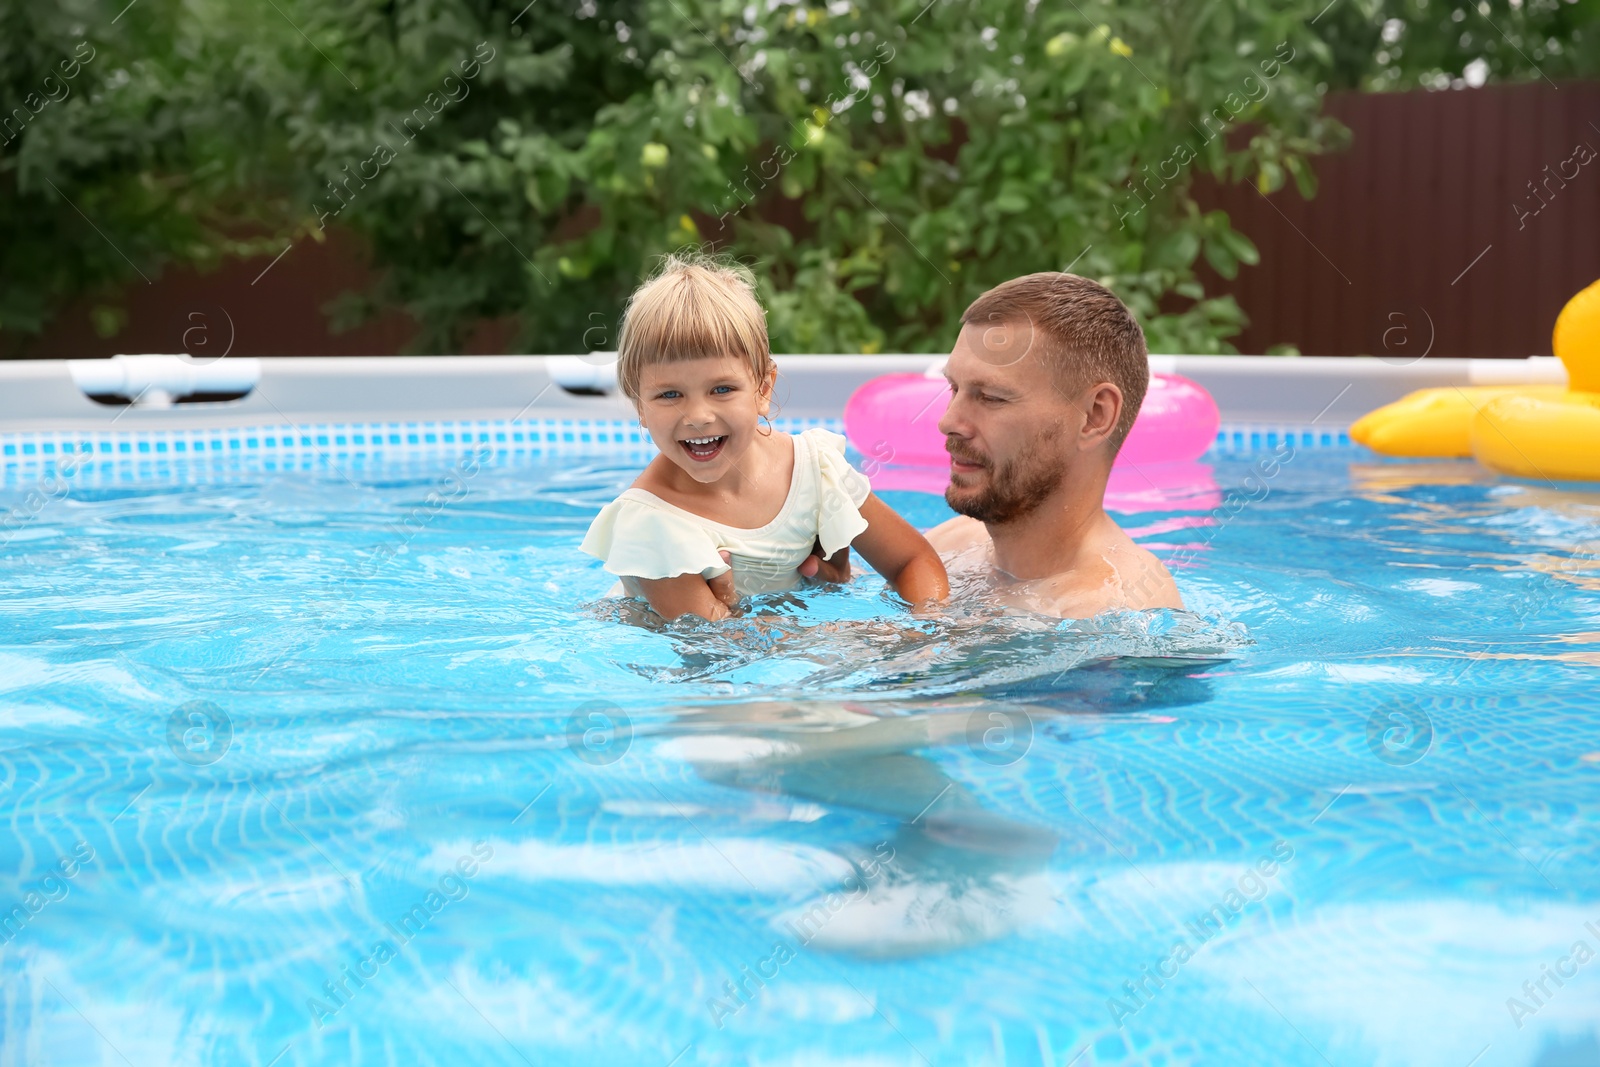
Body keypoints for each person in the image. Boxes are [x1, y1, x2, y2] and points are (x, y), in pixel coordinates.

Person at [742, 272, 1183, 618]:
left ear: (1095, 416)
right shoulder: (954, 546)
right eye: (954, 389)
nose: (948, 421)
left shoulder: (1112, 607)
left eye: (990, 397)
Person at [581, 253, 949, 622]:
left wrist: (928, 631)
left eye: (722, 389)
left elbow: (913, 561)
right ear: (639, 405)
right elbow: (717, 647)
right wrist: (854, 641)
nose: (697, 417)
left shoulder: (814, 469)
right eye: (669, 395)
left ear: (763, 388)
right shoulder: (652, 521)